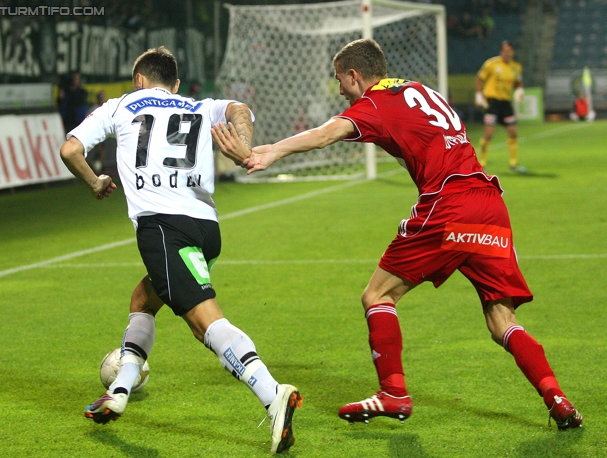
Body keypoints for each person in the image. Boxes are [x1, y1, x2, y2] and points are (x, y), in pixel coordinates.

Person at [212, 38, 582, 430]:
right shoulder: (421, 90)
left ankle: (393, 393)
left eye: (340, 80)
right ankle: (557, 399)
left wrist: (266, 152)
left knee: (377, 295)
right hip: (489, 203)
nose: (339, 90)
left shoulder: (375, 103)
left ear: (355, 75)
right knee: (501, 318)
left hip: (449, 204)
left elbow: (324, 134)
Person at [59, 46, 302, 455]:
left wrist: (95, 182)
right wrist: (242, 144)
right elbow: (241, 108)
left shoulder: (119, 106)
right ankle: (119, 389)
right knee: (143, 298)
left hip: (163, 228)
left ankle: (271, 391)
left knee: (203, 322)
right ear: (173, 84)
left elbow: (70, 150)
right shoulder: (198, 105)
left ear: (139, 79)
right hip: (206, 228)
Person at [475, 41, 525, 172]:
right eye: (504, 50)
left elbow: (518, 82)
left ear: (512, 52)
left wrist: (520, 91)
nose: (507, 53)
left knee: (513, 132)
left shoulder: (516, 67)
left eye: (509, 50)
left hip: (505, 103)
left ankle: (513, 164)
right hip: (492, 102)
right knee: (489, 134)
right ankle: (482, 164)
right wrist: (479, 95)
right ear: (501, 51)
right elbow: (480, 78)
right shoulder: (491, 64)